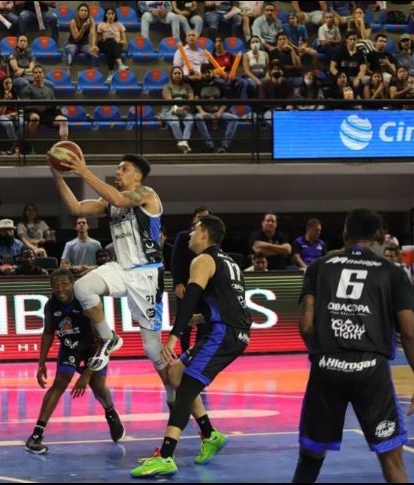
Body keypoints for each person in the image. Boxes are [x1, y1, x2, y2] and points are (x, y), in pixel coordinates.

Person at [292, 208, 414, 483]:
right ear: (379, 236)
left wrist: (323, 354)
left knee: (310, 455)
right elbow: (409, 331)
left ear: (345, 233)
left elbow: (306, 325)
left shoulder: (318, 267)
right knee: (392, 459)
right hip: (371, 369)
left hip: (327, 367)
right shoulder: (392, 273)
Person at [131, 215, 252, 477]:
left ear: (206, 234)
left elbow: (190, 299)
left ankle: (165, 455)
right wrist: (202, 318)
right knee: (175, 374)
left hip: (223, 333)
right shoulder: (229, 261)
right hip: (227, 329)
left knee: (186, 388)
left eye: (195, 230)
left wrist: (175, 336)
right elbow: (230, 301)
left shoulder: (203, 260)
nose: (189, 235)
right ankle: (210, 435)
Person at [52, 153, 176, 410]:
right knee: (81, 286)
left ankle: (173, 394)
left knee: (153, 350)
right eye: (118, 169)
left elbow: (119, 197)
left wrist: (83, 171)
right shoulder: (109, 202)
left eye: (124, 169)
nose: (117, 173)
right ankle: (109, 338)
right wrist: (57, 174)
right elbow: (75, 208)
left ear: (137, 176)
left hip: (148, 275)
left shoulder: (146, 194)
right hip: (121, 269)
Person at [25, 269, 125, 454]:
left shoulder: (85, 302)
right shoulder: (51, 305)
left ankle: (110, 413)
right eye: (55, 285)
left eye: (64, 284)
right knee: (59, 383)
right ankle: (36, 435)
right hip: (70, 347)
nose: (59, 288)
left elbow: (101, 340)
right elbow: (48, 333)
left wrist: (86, 374)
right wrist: (41, 363)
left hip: (93, 347)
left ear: (73, 284)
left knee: (97, 385)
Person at [171, 206, 211, 353]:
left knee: (203, 321)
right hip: (186, 286)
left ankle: (197, 351)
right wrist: (178, 282)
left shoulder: (210, 239)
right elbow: (176, 261)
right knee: (185, 320)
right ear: (194, 219)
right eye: (200, 217)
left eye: (206, 217)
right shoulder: (184, 236)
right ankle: (184, 352)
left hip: (204, 286)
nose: (203, 220)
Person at [22, 65, 69, 154]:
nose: (38, 74)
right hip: (33, 112)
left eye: (40, 72)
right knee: (35, 118)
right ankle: (29, 144)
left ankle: (64, 148)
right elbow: (25, 105)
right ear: (33, 75)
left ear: (43, 74)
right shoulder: (28, 89)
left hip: (47, 114)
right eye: (36, 72)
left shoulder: (49, 90)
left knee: (64, 120)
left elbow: (54, 104)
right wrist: (39, 105)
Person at [163, 66, 195, 154]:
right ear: (171, 75)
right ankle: (182, 143)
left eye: (179, 73)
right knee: (174, 122)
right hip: (171, 110)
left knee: (190, 121)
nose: (177, 75)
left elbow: (191, 98)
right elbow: (169, 100)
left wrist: (184, 106)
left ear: (182, 75)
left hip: (185, 109)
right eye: (175, 73)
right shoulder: (167, 87)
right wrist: (177, 107)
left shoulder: (187, 86)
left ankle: (184, 142)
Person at [97, 7, 129, 85]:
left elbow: (124, 41)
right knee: (110, 41)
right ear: (106, 15)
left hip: (116, 45)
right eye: (109, 13)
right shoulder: (101, 24)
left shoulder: (119, 25)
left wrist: (118, 41)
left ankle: (111, 74)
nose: (110, 15)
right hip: (103, 45)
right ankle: (120, 65)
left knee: (111, 45)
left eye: (112, 13)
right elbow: (97, 39)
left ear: (115, 15)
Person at [65, 3, 99, 69]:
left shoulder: (91, 20)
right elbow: (77, 38)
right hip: (72, 44)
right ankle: (68, 70)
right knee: (71, 52)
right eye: (82, 10)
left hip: (84, 45)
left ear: (88, 12)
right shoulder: (73, 21)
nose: (83, 12)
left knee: (94, 52)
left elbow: (93, 34)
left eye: (85, 11)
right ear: (78, 12)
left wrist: (94, 45)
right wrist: (83, 28)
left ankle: (95, 72)